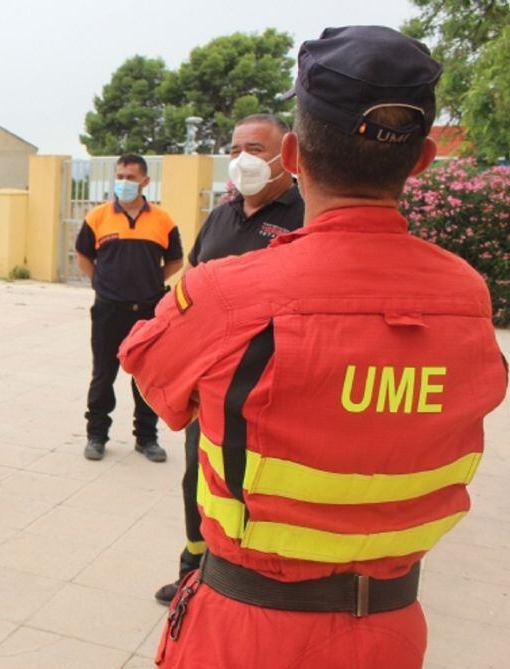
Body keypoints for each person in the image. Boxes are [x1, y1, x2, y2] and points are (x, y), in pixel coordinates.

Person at [119, 27, 507, 668]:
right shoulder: (466, 295)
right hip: (392, 630)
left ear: (293, 154)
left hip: (247, 633)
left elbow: (150, 372)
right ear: (422, 159)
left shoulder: (229, 292)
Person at [154, 114, 304, 606]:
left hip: (273, 388)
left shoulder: (307, 215)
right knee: (200, 478)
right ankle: (194, 570)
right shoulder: (221, 216)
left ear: (288, 155)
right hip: (211, 383)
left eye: (256, 149)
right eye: (236, 147)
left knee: (259, 488)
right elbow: (192, 283)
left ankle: (255, 580)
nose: (243, 159)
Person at [75, 154, 181, 462]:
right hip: (109, 310)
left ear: (145, 182)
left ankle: (146, 438)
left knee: (146, 376)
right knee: (103, 374)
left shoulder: (163, 220)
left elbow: (175, 260)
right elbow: (83, 256)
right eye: (119, 176)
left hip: (148, 311)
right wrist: (102, 284)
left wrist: (150, 282)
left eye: (130, 178)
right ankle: (96, 436)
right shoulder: (97, 217)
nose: (123, 183)